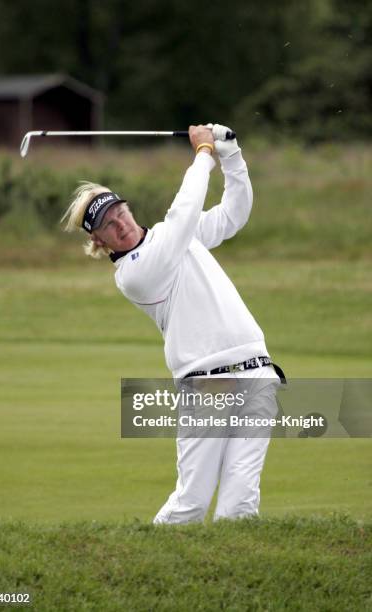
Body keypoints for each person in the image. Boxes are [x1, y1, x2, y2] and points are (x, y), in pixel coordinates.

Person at [62, 124, 284, 524]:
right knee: (192, 501)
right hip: (207, 383)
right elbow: (182, 215)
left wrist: (230, 155)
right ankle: (144, 568)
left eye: (120, 212)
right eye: (109, 225)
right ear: (99, 243)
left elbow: (234, 214)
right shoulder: (135, 273)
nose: (121, 224)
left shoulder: (174, 237)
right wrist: (202, 154)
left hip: (258, 372)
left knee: (240, 503)